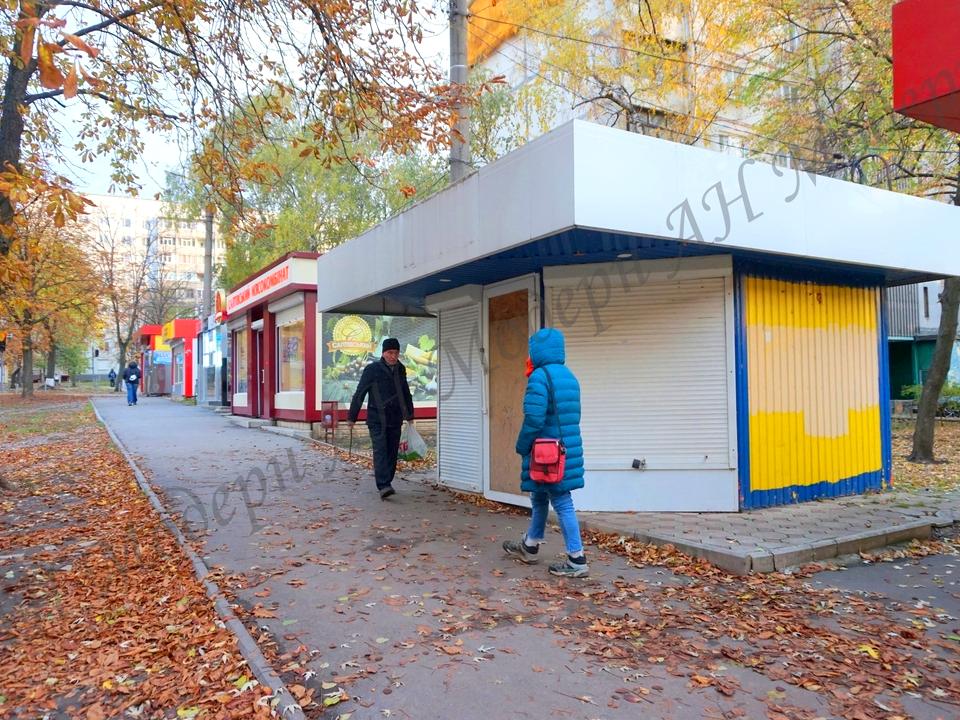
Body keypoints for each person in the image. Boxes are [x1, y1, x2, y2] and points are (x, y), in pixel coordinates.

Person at [503, 328, 588, 578]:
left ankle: (577, 558)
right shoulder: (569, 376)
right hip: (565, 448)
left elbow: (534, 418)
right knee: (539, 496)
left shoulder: (540, 377)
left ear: (537, 351)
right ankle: (530, 545)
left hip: (547, 453)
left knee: (561, 501)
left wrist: (522, 445)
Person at [348, 338, 414, 499]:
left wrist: (409, 415)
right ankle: (383, 485)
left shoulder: (401, 369)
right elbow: (360, 393)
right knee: (381, 450)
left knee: (392, 451)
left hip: (395, 417)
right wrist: (352, 417)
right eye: (390, 353)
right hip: (376, 418)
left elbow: (405, 392)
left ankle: (387, 481)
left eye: (396, 353)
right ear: (383, 353)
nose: (393, 356)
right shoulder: (372, 369)